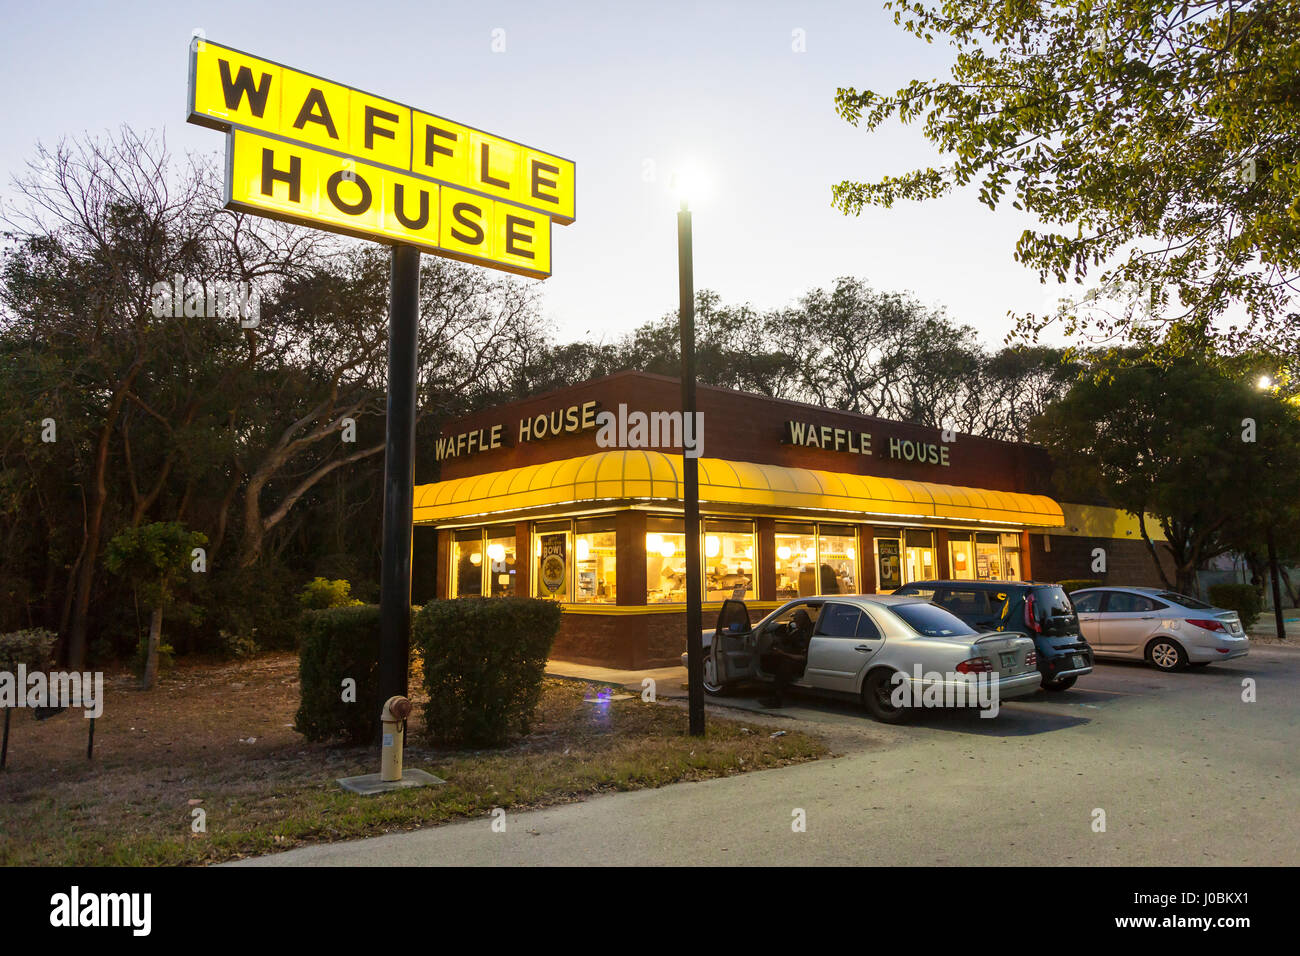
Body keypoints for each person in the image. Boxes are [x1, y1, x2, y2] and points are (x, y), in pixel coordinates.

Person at [760, 608, 812, 708]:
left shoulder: (808, 635)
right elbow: (787, 640)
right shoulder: (799, 631)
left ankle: (776, 699)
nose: (794, 621)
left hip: (801, 663)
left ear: (803, 620)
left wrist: (783, 653)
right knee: (769, 658)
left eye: (796, 619)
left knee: (786, 665)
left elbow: (803, 658)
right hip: (792, 657)